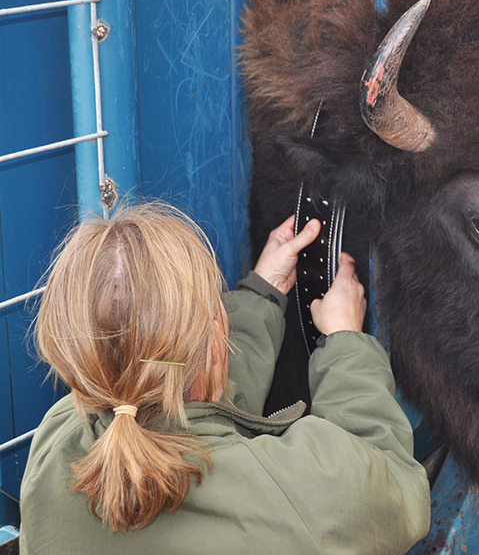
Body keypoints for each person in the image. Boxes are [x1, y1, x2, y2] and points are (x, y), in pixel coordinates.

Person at [18, 202, 430, 553]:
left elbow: (179, 391)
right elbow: (392, 479)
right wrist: (344, 341)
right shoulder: (289, 496)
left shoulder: (55, 442)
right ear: (216, 342)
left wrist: (263, 294)